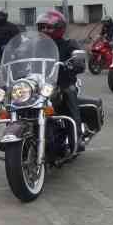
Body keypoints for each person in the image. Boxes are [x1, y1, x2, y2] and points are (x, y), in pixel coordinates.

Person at [36, 9, 87, 150]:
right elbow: (24, 58)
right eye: (42, 27)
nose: (45, 30)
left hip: (63, 82)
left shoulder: (69, 44)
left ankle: (76, 137)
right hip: (40, 84)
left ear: (59, 28)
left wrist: (76, 64)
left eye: (48, 27)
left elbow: (80, 63)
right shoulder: (36, 45)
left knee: (69, 93)